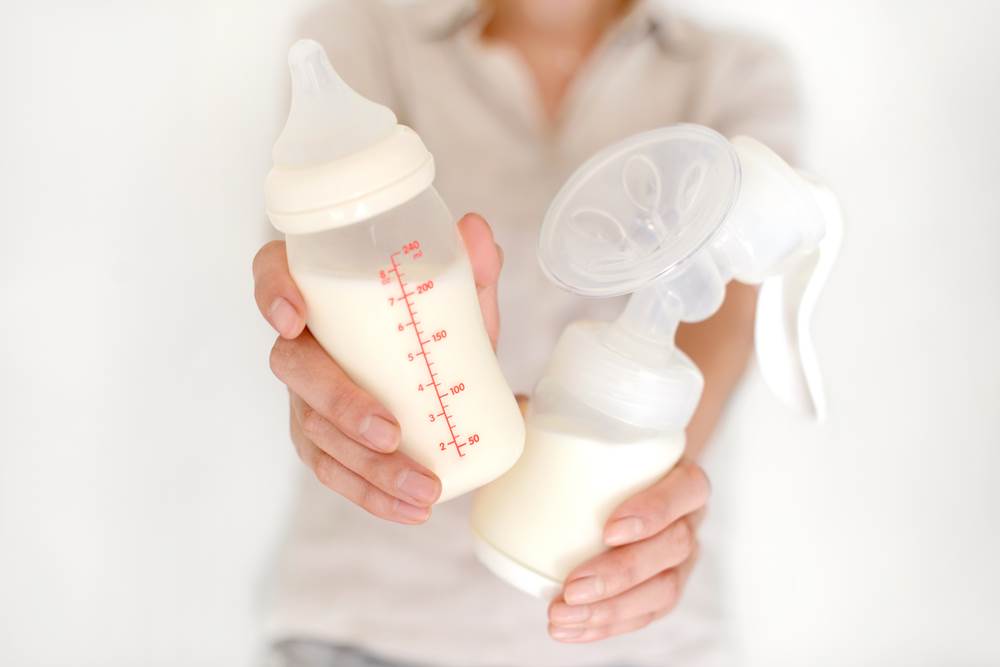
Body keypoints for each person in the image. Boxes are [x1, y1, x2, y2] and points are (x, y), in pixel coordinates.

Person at [252, 0, 800, 665]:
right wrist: (325, 386)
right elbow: (320, 288)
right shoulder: (363, 35)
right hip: (377, 618)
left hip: (630, 632)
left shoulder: (734, 74)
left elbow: (728, 319)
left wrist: (642, 480)